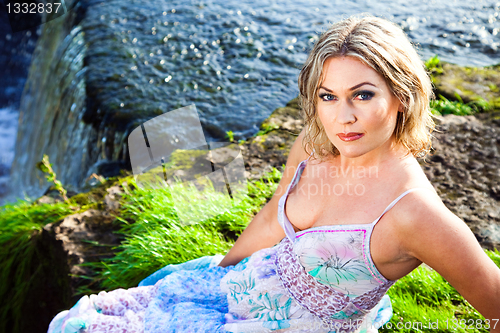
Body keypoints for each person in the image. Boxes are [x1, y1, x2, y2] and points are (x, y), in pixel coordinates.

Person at [48, 14, 500, 333]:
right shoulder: (313, 145)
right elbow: (271, 216)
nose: (342, 118)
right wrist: (214, 276)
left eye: (362, 95)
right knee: (82, 324)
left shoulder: (415, 215)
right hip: (243, 290)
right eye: (327, 96)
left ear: (402, 96)